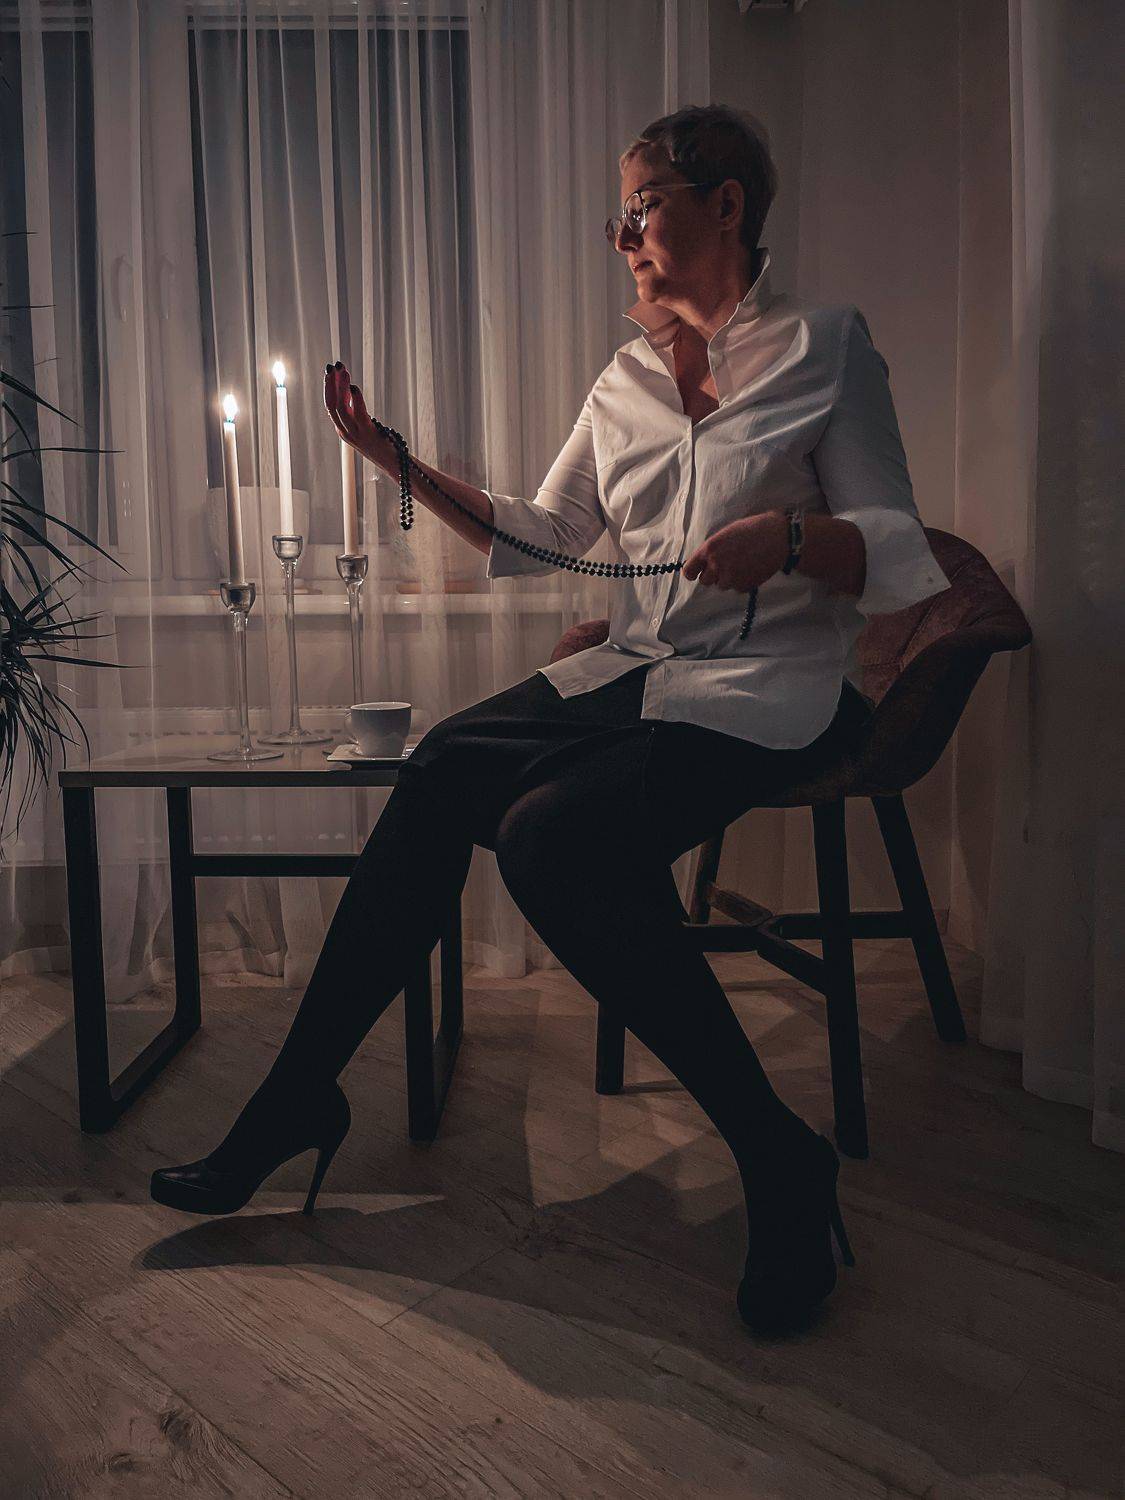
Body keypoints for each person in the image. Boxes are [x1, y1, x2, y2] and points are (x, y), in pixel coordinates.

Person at [151, 103, 949, 1335]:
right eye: (617, 214)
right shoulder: (623, 381)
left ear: (725, 204)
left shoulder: (825, 346)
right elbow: (551, 531)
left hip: (766, 689)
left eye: (641, 206)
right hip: (634, 671)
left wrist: (793, 538)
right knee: (439, 767)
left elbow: (895, 547)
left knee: (548, 836)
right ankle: (298, 1099)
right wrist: (393, 460)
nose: (618, 235)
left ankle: (778, 1156)